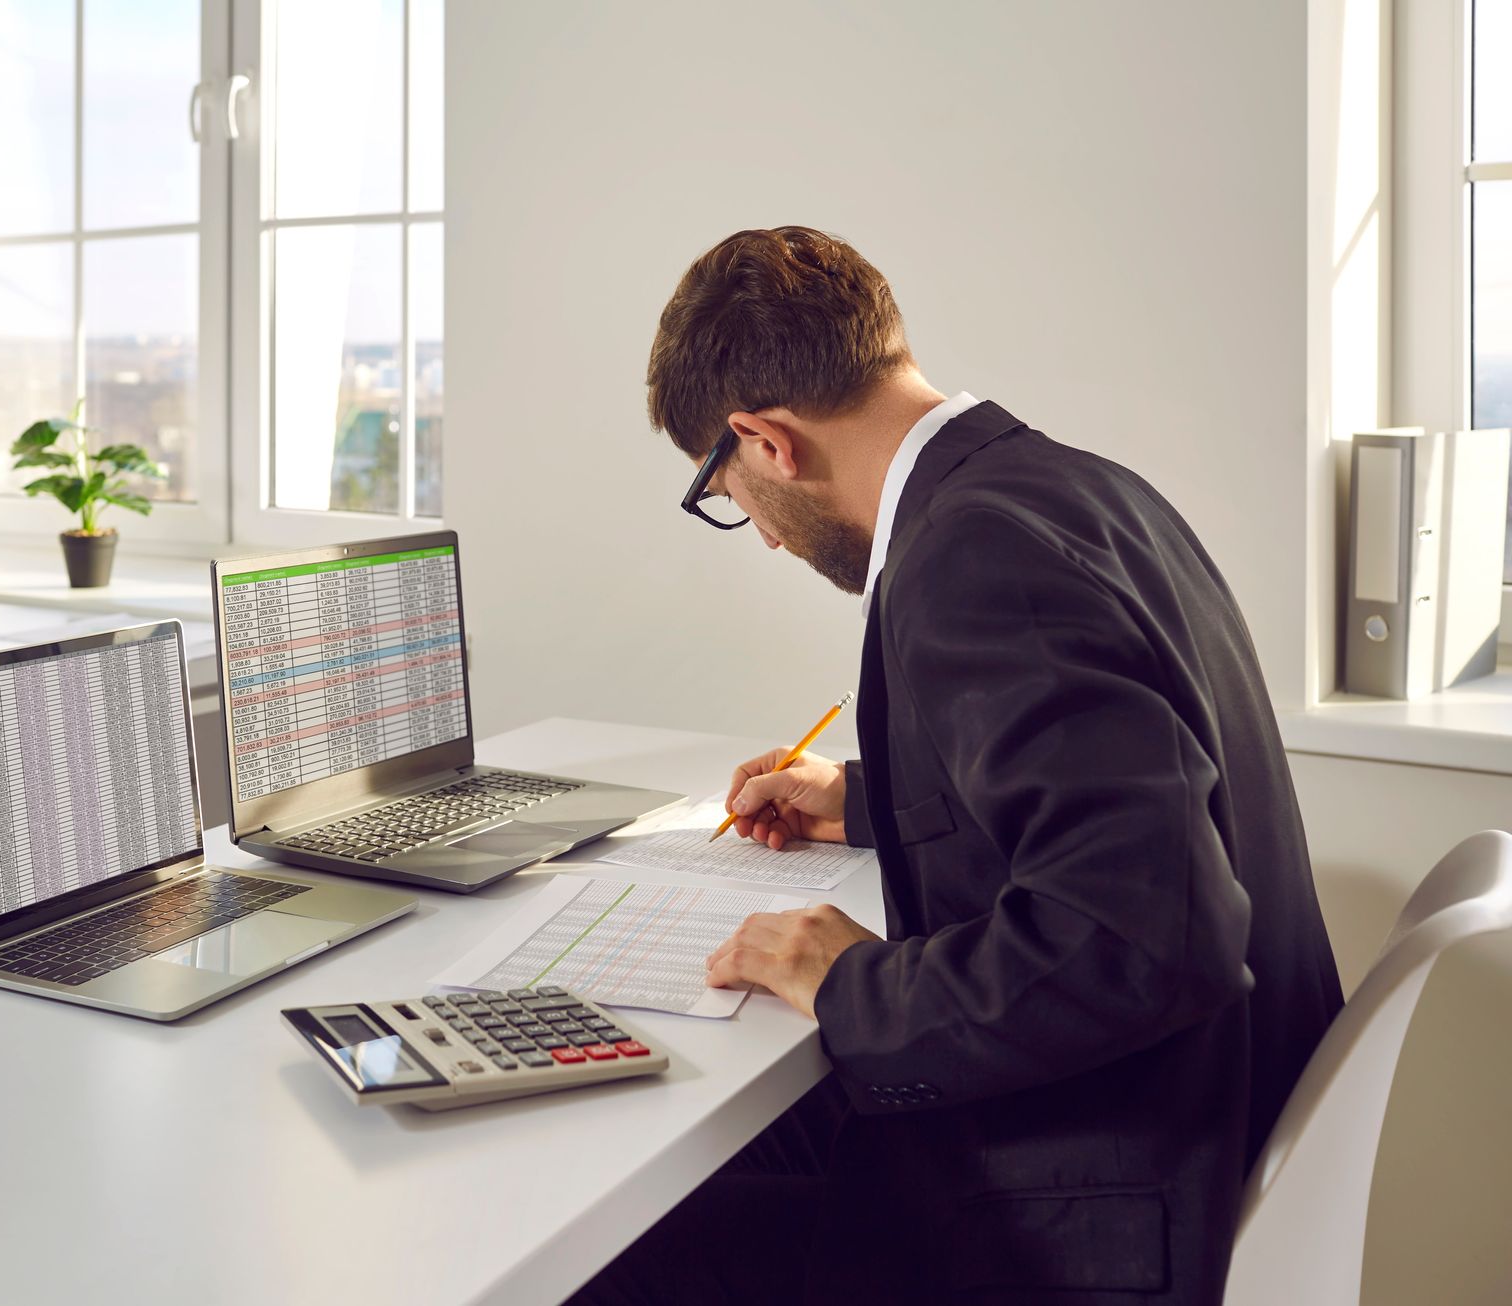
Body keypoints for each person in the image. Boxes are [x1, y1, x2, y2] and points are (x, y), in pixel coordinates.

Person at [571, 227, 1343, 1305]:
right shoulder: (1082, 491)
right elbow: (1133, 790)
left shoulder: (976, 557)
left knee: (613, 1243)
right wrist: (867, 800)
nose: (763, 535)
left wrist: (851, 980)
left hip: (1106, 1210)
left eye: (729, 489)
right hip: (1200, 1119)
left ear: (765, 439)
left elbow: (1147, 941)